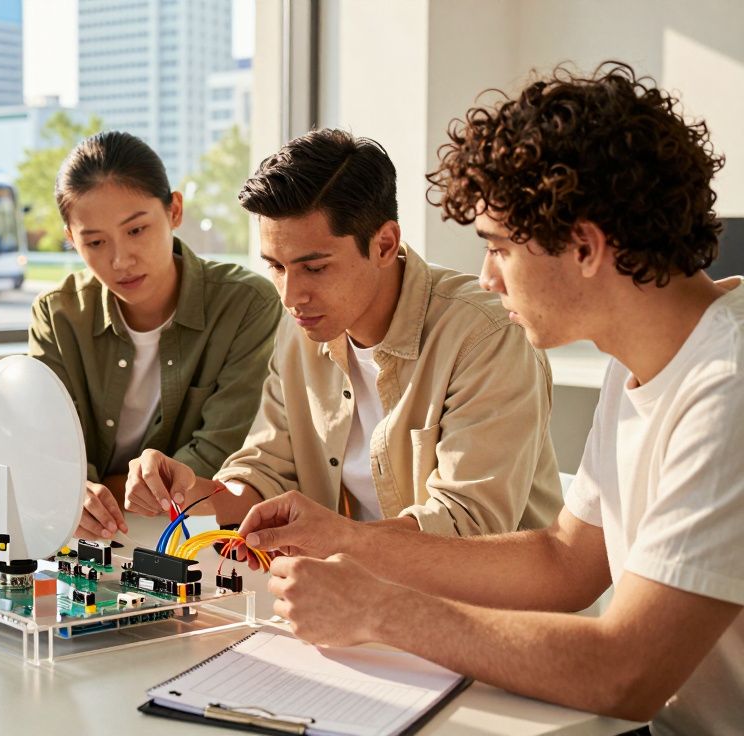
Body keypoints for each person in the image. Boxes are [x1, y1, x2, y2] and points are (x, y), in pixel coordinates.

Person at [238, 63, 742, 731]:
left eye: (500, 248)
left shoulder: (727, 389)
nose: (488, 277)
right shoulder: (643, 366)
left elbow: (624, 672)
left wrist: (380, 610)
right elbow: (564, 562)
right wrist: (345, 542)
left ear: (585, 247)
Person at [128, 129, 561, 538]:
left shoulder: (486, 335)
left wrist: (337, 543)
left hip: (487, 610)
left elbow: (468, 524)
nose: (292, 295)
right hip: (357, 596)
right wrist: (191, 493)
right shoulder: (301, 331)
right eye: (276, 267)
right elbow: (265, 474)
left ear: (385, 245)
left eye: (315, 268)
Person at [29, 131, 281, 540]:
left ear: (174, 210)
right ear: (71, 240)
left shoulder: (247, 304)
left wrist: (93, 490)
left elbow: (223, 451)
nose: (120, 259)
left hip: (190, 539)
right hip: (88, 538)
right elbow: (48, 446)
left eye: (137, 230)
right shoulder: (57, 313)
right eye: (95, 241)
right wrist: (71, 492)